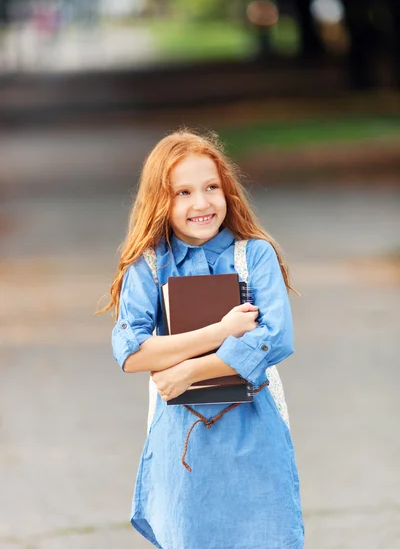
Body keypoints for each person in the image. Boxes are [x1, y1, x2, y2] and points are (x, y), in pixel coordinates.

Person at [100, 129, 304, 549]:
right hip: (182, 440)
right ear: (161, 201)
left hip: (254, 426)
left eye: (212, 187)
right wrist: (221, 331)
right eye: (183, 192)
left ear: (227, 190)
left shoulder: (254, 254)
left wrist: (189, 369)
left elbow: (276, 339)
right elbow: (132, 351)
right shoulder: (151, 264)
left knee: (266, 535)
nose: (201, 203)